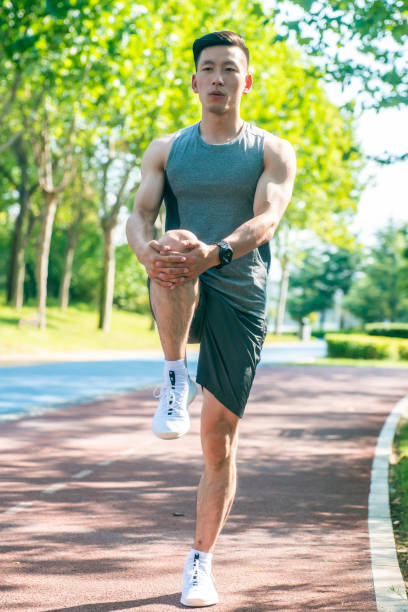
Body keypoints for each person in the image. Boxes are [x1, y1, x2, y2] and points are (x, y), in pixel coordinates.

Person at [126, 30, 296, 607]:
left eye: (230, 68)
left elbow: (267, 218)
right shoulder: (167, 149)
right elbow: (139, 215)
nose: (218, 77)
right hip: (178, 280)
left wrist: (217, 253)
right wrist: (145, 250)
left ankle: (200, 564)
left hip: (239, 295)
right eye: (208, 68)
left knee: (218, 443)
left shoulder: (272, 150)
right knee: (170, 237)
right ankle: (174, 375)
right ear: (194, 80)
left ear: (247, 81)